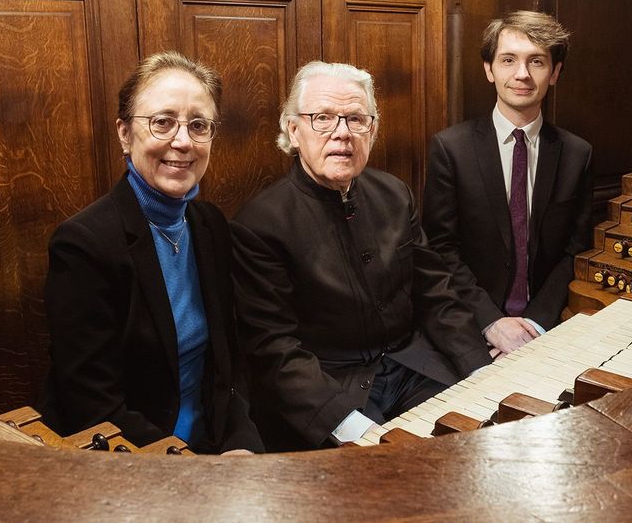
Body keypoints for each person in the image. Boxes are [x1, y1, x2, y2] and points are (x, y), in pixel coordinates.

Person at [231, 61, 492, 451]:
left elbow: (436, 296)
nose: (342, 133)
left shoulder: (394, 193)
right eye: (322, 118)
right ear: (293, 130)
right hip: (333, 391)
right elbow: (275, 349)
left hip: (415, 365)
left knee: (483, 443)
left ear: (371, 130)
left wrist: (484, 373)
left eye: (355, 118)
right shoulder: (260, 223)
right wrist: (350, 427)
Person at [38, 51, 262, 454]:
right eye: (163, 122)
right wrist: (192, 466)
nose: (182, 141)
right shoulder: (83, 245)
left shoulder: (210, 224)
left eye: (199, 125)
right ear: (125, 133)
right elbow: (93, 406)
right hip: (135, 456)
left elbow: (229, 364)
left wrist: (241, 444)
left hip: (216, 445)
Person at [423, 11, 593, 357]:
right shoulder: (451, 148)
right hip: (471, 323)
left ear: (555, 72)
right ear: (490, 69)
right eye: (508, 60)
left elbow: (576, 251)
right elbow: (441, 249)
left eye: (537, 62)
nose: (522, 74)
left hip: (550, 324)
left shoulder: (578, 154)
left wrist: (534, 324)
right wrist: (492, 323)